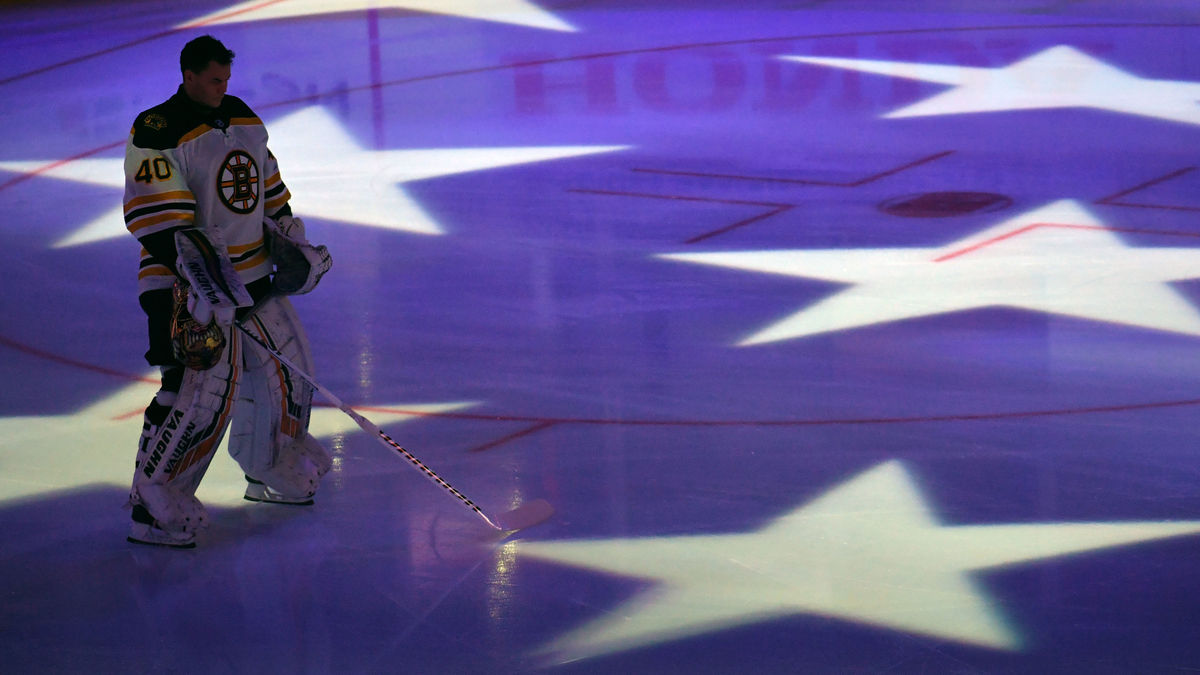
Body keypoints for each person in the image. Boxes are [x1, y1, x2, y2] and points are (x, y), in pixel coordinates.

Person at [123, 35, 333, 548]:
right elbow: (159, 222)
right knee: (196, 393)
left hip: (254, 276)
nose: (222, 88)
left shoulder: (241, 116)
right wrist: (202, 282)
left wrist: (287, 239)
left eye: (226, 79)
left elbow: (269, 193)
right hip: (184, 288)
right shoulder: (157, 129)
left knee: (289, 368)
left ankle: (269, 467)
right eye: (214, 80)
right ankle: (154, 501)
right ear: (189, 75)